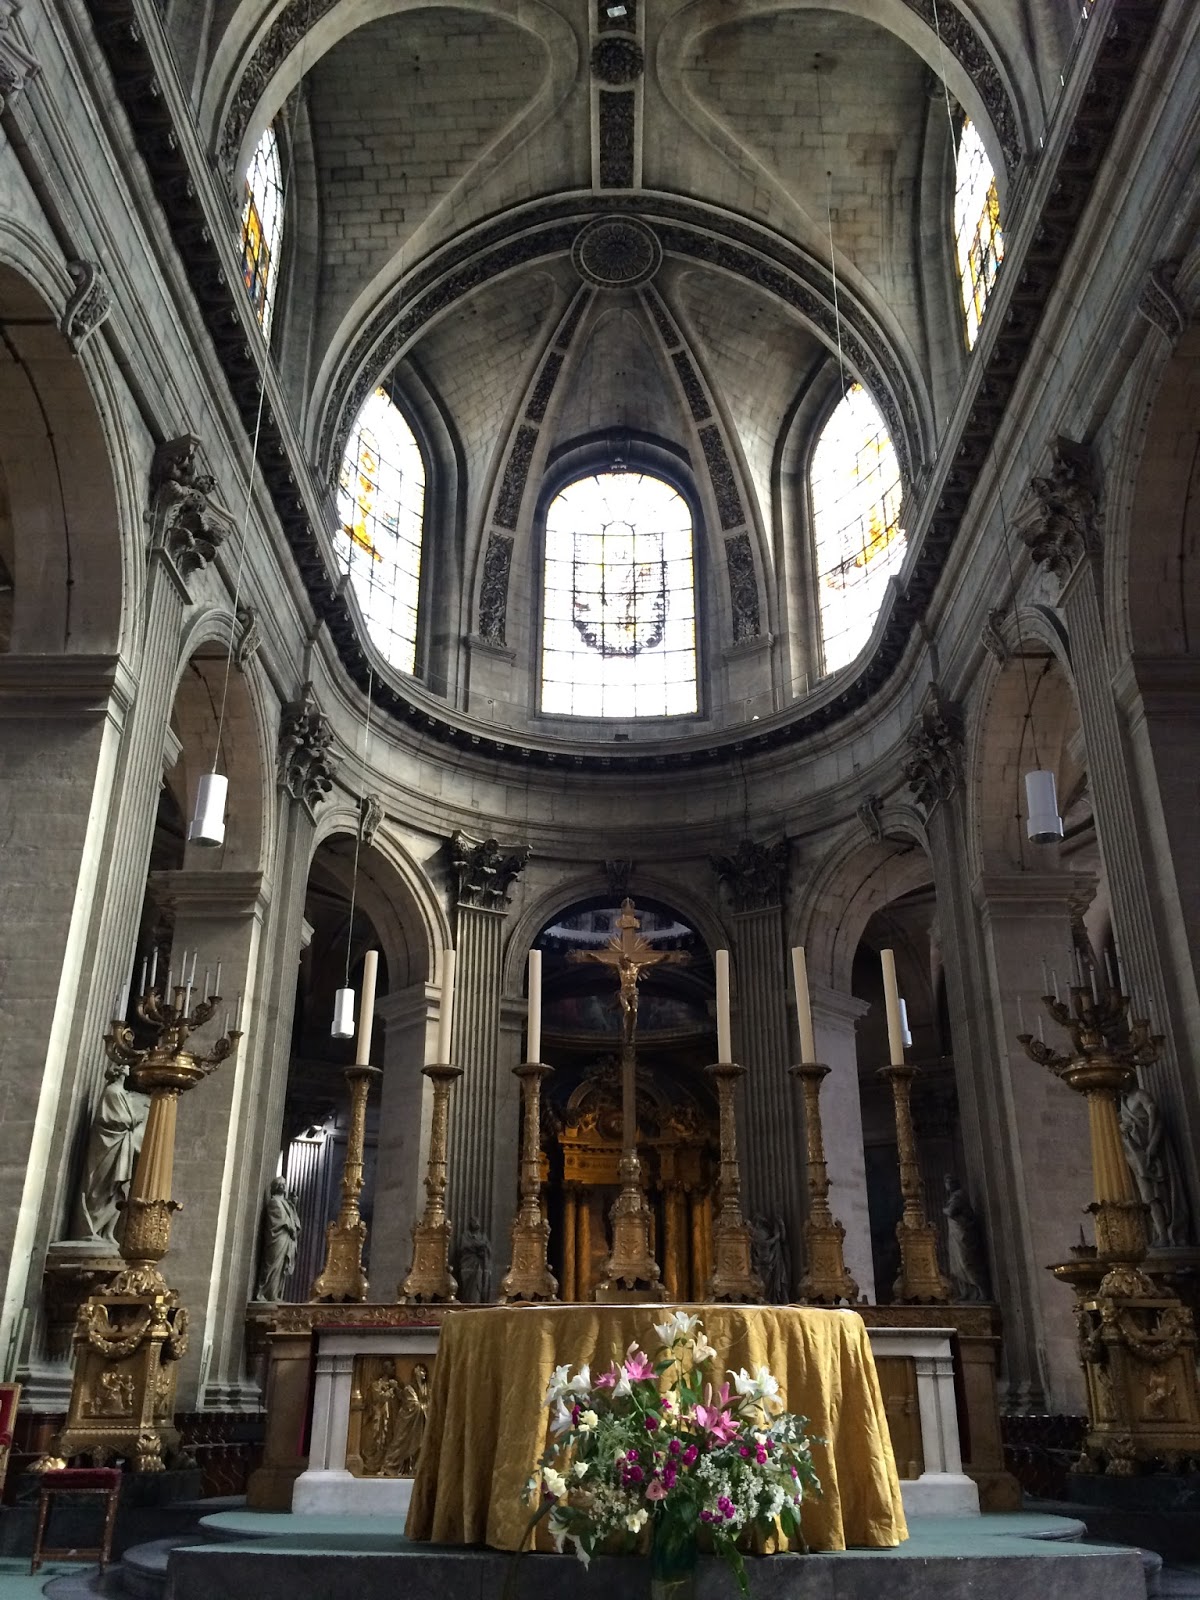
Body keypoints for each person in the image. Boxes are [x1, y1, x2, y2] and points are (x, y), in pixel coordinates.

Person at [72, 1063, 147, 1244]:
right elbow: (116, 1119)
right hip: (109, 1144)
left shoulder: (124, 1094)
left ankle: (107, 1233)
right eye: (125, 1068)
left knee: (118, 1191)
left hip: (122, 1145)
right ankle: (90, 1228)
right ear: (120, 1072)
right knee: (101, 1188)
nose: (128, 1070)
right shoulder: (113, 1092)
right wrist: (138, 1117)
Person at [1120, 1085, 1191, 1247]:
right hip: (1135, 1152)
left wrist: (1152, 1143)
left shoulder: (1140, 1094)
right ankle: (1160, 1234)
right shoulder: (1124, 1101)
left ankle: (1165, 1234)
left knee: (1155, 1194)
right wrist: (1122, 1128)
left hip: (1149, 1152)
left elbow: (1153, 1113)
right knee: (1147, 1197)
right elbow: (1126, 1123)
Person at [943, 1174, 989, 1301]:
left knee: (967, 1262)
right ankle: (966, 1292)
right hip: (955, 1235)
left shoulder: (959, 1195)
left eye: (949, 1182)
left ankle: (982, 1291)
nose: (947, 1185)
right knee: (957, 1265)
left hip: (963, 1234)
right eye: (947, 1182)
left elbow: (951, 1211)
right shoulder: (954, 1196)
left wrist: (944, 1210)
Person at [255, 1177, 302, 1301]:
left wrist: (293, 1205)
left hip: (286, 1239)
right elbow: (279, 1219)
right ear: (275, 1187)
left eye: (284, 1184)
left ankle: (275, 1295)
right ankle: (266, 1293)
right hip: (278, 1238)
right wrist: (290, 1226)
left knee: (281, 1267)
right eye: (279, 1184)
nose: (282, 1186)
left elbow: (293, 1219)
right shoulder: (274, 1202)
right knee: (273, 1265)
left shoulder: (286, 1203)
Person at [458, 1217, 492, 1303]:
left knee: (479, 1282)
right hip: (469, 1264)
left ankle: (480, 1300)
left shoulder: (483, 1236)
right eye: (474, 1222)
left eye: (477, 1221)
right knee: (470, 1286)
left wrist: (482, 1249)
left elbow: (488, 1248)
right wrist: (477, 1246)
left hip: (481, 1264)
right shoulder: (466, 1235)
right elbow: (464, 1247)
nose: (476, 1223)